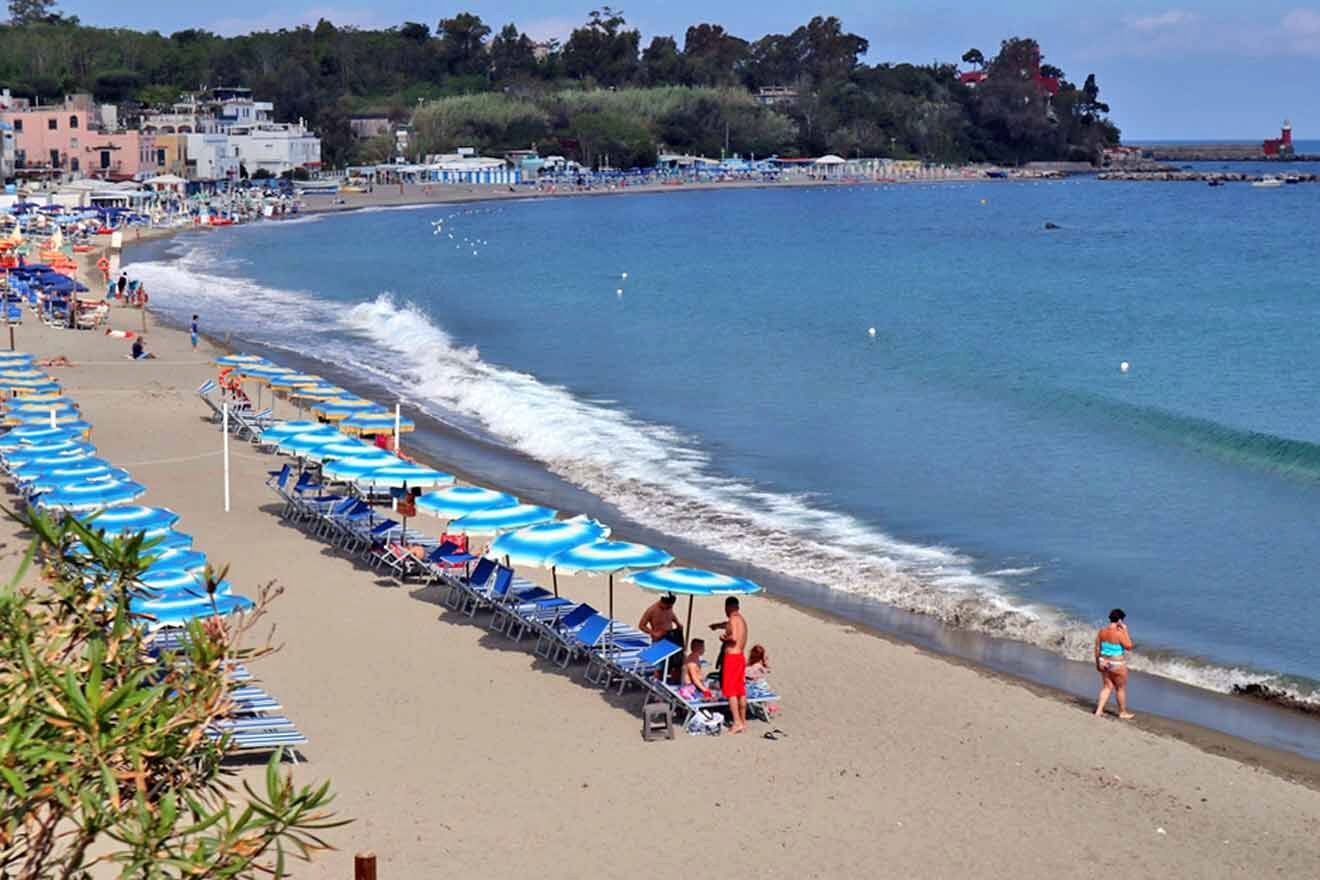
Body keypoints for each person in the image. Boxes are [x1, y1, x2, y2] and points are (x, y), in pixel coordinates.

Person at [710, 597, 749, 733]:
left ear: (728, 607)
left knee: (731, 691)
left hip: (732, 657)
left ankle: (737, 722)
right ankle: (743, 721)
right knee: (740, 690)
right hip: (740, 657)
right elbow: (728, 625)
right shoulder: (741, 620)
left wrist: (723, 638)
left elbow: (734, 638)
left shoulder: (733, 620)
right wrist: (717, 626)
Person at [1094, 608, 1135, 719]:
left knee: (1107, 687)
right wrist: (1125, 630)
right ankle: (1122, 712)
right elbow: (1129, 646)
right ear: (1120, 620)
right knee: (1120, 688)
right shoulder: (1119, 632)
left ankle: (1099, 710)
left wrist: (1097, 662)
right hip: (1117, 663)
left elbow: (1097, 648)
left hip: (1104, 661)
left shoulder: (1102, 631)